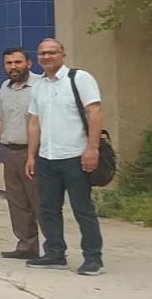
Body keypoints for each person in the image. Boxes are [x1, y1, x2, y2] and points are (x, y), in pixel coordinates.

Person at [26, 39, 106, 275]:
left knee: (82, 209)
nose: (46, 57)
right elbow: (34, 122)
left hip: (75, 156)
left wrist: (92, 149)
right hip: (47, 157)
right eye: (42, 53)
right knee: (49, 208)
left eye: (52, 52)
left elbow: (94, 113)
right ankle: (54, 253)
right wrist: (31, 155)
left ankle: (93, 258)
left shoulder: (79, 79)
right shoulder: (38, 86)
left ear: (63, 55)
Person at [0, 46, 43, 259]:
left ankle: (54, 248)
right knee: (17, 202)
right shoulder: (5, 87)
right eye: (9, 63)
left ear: (29, 63)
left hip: (34, 153)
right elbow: (0, 118)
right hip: (10, 152)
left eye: (18, 62)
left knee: (40, 201)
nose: (13, 67)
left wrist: (33, 155)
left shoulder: (41, 85)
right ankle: (26, 246)